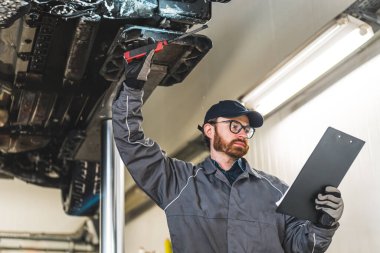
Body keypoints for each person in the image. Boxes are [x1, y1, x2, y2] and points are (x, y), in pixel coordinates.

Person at [112, 42, 344, 253]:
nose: (243, 133)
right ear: (209, 130)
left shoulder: (276, 191)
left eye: (246, 129)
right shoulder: (179, 183)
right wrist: (133, 87)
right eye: (234, 126)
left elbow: (303, 248)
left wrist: (324, 223)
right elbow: (131, 143)